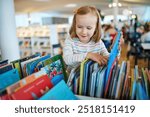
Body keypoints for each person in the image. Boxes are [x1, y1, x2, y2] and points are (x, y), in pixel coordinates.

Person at [63, 6, 122, 70]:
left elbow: (109, 60)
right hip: (75, 79)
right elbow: (67, 59)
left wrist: (115, 49)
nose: (84, 32)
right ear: (74, 25)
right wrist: (89, 55)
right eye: (79, 27)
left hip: (92, 78)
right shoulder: (70, 40)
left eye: (89, 28)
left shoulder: (98, 42)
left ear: (96, 28)